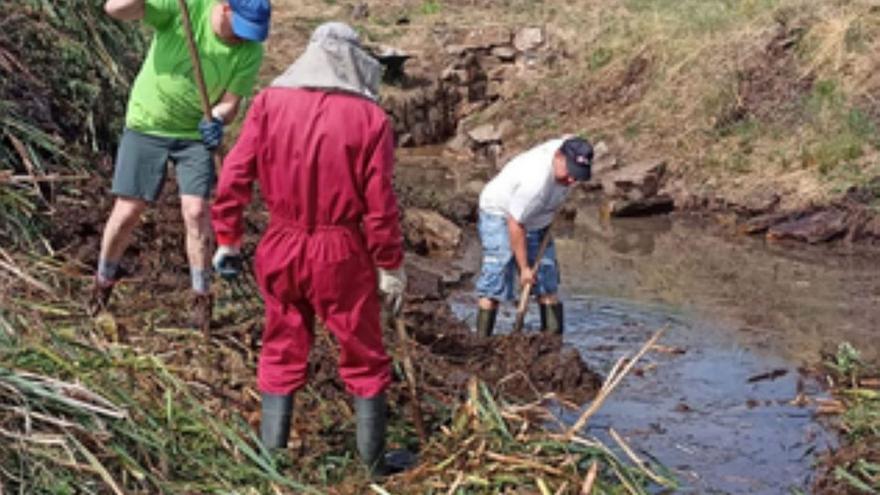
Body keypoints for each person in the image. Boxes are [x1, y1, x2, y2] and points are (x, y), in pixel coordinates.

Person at [210, 22, 405, 475]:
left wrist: (228, 238)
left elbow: (234, 176)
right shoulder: (371, 119)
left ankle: (271, 464)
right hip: (340, 252)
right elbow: (380, 205)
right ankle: (373, 468)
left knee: (281, 345)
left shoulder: (268, 103)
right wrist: (389, 263)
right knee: (363, 352)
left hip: (280, 245)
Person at [87, 0, 270, 332]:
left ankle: (201, 298)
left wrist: (217, 118)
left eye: (251, 33)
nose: (242, 39)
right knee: (129, 210)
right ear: (225, 8)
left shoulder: (250, 50)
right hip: (148, 124)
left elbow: (231, 102)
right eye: (239, 29)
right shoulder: (186, 8)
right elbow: (115, 9)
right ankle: (102, 284)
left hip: (196, 134)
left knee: (197, 212)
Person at [474, 136, 593, 337]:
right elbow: (515, 223)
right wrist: (524, 269)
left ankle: (553, 342)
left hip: (539, 217)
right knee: (497, 272)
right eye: (569, 173)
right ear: (558, 157)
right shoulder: (535, 181)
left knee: (547, 278)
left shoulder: (570, 150)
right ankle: (481, 341)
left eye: (577, 175)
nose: (572, 180)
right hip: (501, 213)